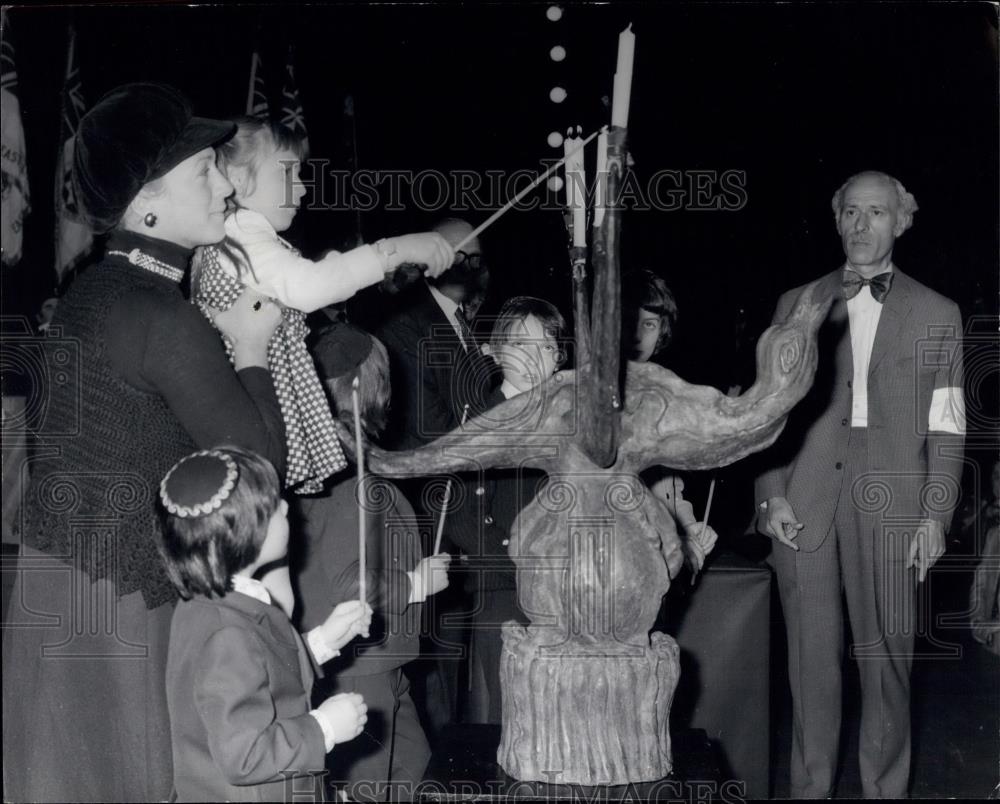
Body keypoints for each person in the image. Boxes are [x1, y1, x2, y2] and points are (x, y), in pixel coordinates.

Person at [2, 83, 286, 802]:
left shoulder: (91, 293)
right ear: (146, 202)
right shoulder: (157, 311)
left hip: (61, 588)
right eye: (206, 171)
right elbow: (260, 469)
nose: (227, 183)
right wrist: (252, 349)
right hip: (121, 608)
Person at [754, 170, 966, 798]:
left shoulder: (938, 312)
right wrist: (770, 494)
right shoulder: (798, 303)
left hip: (898, 502)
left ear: (901, 221)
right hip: (807, 494)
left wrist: (936, 515)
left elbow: (948, 426)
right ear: (837, 219)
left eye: (875, 212)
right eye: (850, 212)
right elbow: (767, 411)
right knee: (810, 669)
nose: (859, 225)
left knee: (887, 668)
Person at [193, 117, 455, 493]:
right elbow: (306, 287)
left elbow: (293, 281)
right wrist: (396, 249)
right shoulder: (243, 230)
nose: (301, 188)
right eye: (289, 173)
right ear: (236, 177)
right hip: (249, 411)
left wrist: (332, 267)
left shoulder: (240, 235)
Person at [158, 447, 372, 802]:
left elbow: (260, 672)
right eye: (273, 505)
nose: (287, 507)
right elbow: (243, 756)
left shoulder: (209, 604)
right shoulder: (227, 633)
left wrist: (319, 643)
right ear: (240, 535)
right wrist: (325, 727)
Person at [292, 322, 450, 800]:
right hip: (361, 666)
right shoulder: (349, 472)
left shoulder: (335, 457)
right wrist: (416, 585)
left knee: (416, 775)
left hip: (382, 662)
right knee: (370, 788)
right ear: (365, 386)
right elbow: (349, 585)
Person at [376, 216, 497, 733]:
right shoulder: (406, 326)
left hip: (470, 511)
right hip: (433, 517)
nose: (468, 265)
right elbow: (423, 437)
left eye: (476, 256)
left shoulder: (462, 323)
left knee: (468, 666)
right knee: (436, 666)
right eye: (458, 255)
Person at [446, 296, 564, 723]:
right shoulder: (479, 420)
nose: (538, 357)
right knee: (515, 716)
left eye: (549, 346)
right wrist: (523, 567)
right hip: (504, 589)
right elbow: (462, 518)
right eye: (523, 345)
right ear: (494, 352)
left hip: (567, 591)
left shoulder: (569, 418)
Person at [624, 270, 717, 573]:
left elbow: (668, 487)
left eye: (649, 325)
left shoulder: (664, 394)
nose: (638, 335)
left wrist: (691, 529)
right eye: (629, 322)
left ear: (662, 330)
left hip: (660, 556)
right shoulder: (592, 392)